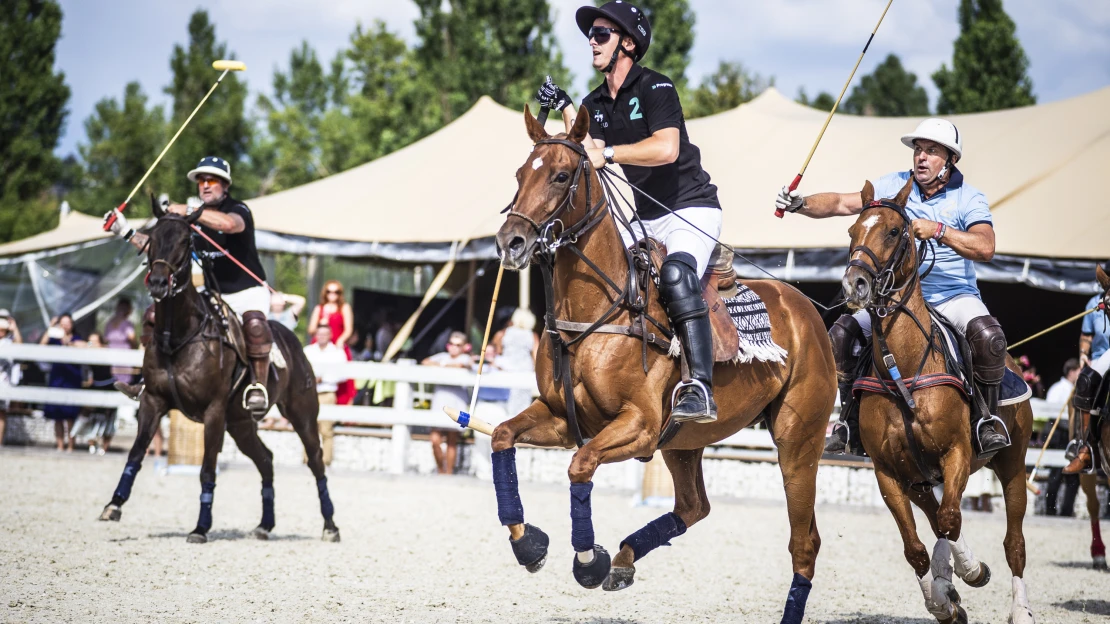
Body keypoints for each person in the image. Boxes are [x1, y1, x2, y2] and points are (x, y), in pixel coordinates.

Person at [777, 118, 1010, 458]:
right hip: (897, 298)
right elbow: (843, 204)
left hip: (952, 297)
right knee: (841, 334)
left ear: (950, 160)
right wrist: (801, 204)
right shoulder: (893, 185)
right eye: (918, 150)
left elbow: (985, 247)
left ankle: (986, 421)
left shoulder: (969, 198)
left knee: (988, 336)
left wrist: (940, 230)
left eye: (931, 151)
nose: (921, 157)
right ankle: (848, 422)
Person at [536, 1, 723, 423]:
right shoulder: (594, 101)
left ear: (627, 42)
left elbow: (667, 147)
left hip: (688, 209)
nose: (592, 42)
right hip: (640, 215)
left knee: (675, 275)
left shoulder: (656, 88)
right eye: (590, 35)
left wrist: (614, 153)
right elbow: (584, 148)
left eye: (601, 35)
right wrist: (565, 103)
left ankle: (700, 388)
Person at [104, 156, 274, 416]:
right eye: (201, 181)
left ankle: (257, 386)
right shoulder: (190, 220)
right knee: (155, 316)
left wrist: (184, 209)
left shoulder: (239, 209)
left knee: (255, 325)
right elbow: (160, 249)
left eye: (212, 180)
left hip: (248, 292)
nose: (205, 185)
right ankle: (149, 380)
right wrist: (124, 230)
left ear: (225, 185)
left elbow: (229, 225)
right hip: (213, 292)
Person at [1064, 285, 1110, 473]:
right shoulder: (1094, 302)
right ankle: (1086, 448)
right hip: (1104, 354)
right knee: (1085, 381)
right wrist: (1083, 353)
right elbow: (1087, 335)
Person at [421, 331, 473, 474]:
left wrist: (442, 366)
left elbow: (465, 365)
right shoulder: (442, 356)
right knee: (435, 439)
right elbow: (425, 362)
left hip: (456, 400)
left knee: (451, 441)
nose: (454, 347)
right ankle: (440, 469)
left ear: (464, 347)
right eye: (451, 344)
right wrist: (445, 364)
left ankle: (448, 472)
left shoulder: (465, 358)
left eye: (458, 345)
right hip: (440, 400)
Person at [302, 325, 344, 466]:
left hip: (327, 392)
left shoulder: (337, 353)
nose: (321, 337)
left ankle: (326, 460)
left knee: (326, 429)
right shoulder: (308, 351)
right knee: (308, 427)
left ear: (330, 335)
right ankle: (308, 458)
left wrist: (323, 377)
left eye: (325, 334)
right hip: (309, 393)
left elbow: (342, 374)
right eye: (319, 334)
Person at [308, 280, 355, 405]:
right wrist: (323, 322)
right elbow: (311, 329)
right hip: (321, 343)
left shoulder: (344, 307)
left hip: (337, 345)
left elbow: (348, 329)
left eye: (336, 292)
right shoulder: (320, 308)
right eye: (329, 291)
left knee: (343, 381)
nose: (332, 294)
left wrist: (341, 341)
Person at [40, 314, 83, 451]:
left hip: (72, 379)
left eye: (67, 323)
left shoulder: (77, 338)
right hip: (57, 378)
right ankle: (60, 445)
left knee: (70, 415)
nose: (64, 326)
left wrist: (65, 338)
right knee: (57, 415)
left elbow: (82, 347)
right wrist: (51, 327)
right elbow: (42, 345)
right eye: (62, 323)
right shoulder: (54, 339)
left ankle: (71, 446)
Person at [1043, 358, 1081, 515]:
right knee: (1056, 473)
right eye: (1079, 372)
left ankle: (1067, 510)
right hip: (1059, 435)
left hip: (1073, 436)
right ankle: (1050, 510)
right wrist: (1068, 426)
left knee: (1074, 476)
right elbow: (1051, 414)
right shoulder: (1057, 389)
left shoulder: (1077, 390)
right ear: (1072, 372)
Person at [81, 333, 118, 455]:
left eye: (95, 341)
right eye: (90, 341)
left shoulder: (106, 351)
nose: (92, 344)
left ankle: (104, 447)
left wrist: (95, 347)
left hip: (108, 386)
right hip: (95, 385)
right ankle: (91, 444)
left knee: (109, 417)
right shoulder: (87, 352)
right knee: (92, 417)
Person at [499, 308, 540, 417]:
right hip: (524, 373)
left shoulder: (504, 333)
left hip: (506, 371)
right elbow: (536, 357)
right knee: (521, 407)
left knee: (504, 405)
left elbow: (497, 351)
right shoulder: (532, 335)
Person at [0, 311, 23, 445]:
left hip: (3, 382)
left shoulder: (9, 342)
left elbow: (20, 347)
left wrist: (14, 328)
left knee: (1, 413)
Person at [103, 297, 138, 385]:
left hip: (110, 354)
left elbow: (105, 339)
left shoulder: (109, 322)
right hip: (124, 355)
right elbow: (132, 338)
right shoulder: (127, 323)